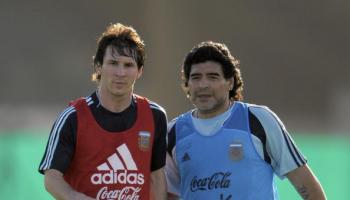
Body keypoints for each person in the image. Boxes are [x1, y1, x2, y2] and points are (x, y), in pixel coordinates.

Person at [165, 41, 326, 200]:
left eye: (213, 77)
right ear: (187, 84)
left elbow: (308, 187)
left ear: (230, 82)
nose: (203, 85)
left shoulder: (258, 120)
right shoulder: (173, 133)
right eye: (196, 77)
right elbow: (167, 194)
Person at [38, 23, 167, 200]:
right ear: (98, 66)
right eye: (113, 63)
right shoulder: (73, 117)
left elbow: (157, 178)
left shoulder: (155, 116)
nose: (120, 73)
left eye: (128, 65)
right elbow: (51, 179)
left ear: (139, 71)